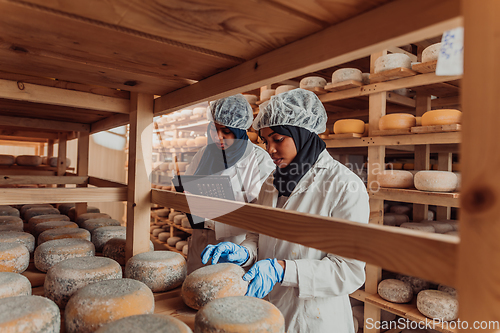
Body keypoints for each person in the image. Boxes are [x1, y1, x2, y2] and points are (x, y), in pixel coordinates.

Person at [201, 89, 369, 333]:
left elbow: (348, 271)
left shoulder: (344, 185)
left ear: (302, 134)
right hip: (267, 311)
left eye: (277, 139)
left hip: (314, 319)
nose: (270, 150)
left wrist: (282, 269)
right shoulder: (273, 181)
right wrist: (245, 252)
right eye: (266, 141)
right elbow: (258, 236)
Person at [183, 94, 274, 274]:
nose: (218, 137)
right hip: (200, 241)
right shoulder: (204, 154)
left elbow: (261, 216)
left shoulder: (259, 160)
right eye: (214, 129)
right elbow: (187, 190)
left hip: (234, 246)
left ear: (240, 130)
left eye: (226, 131)